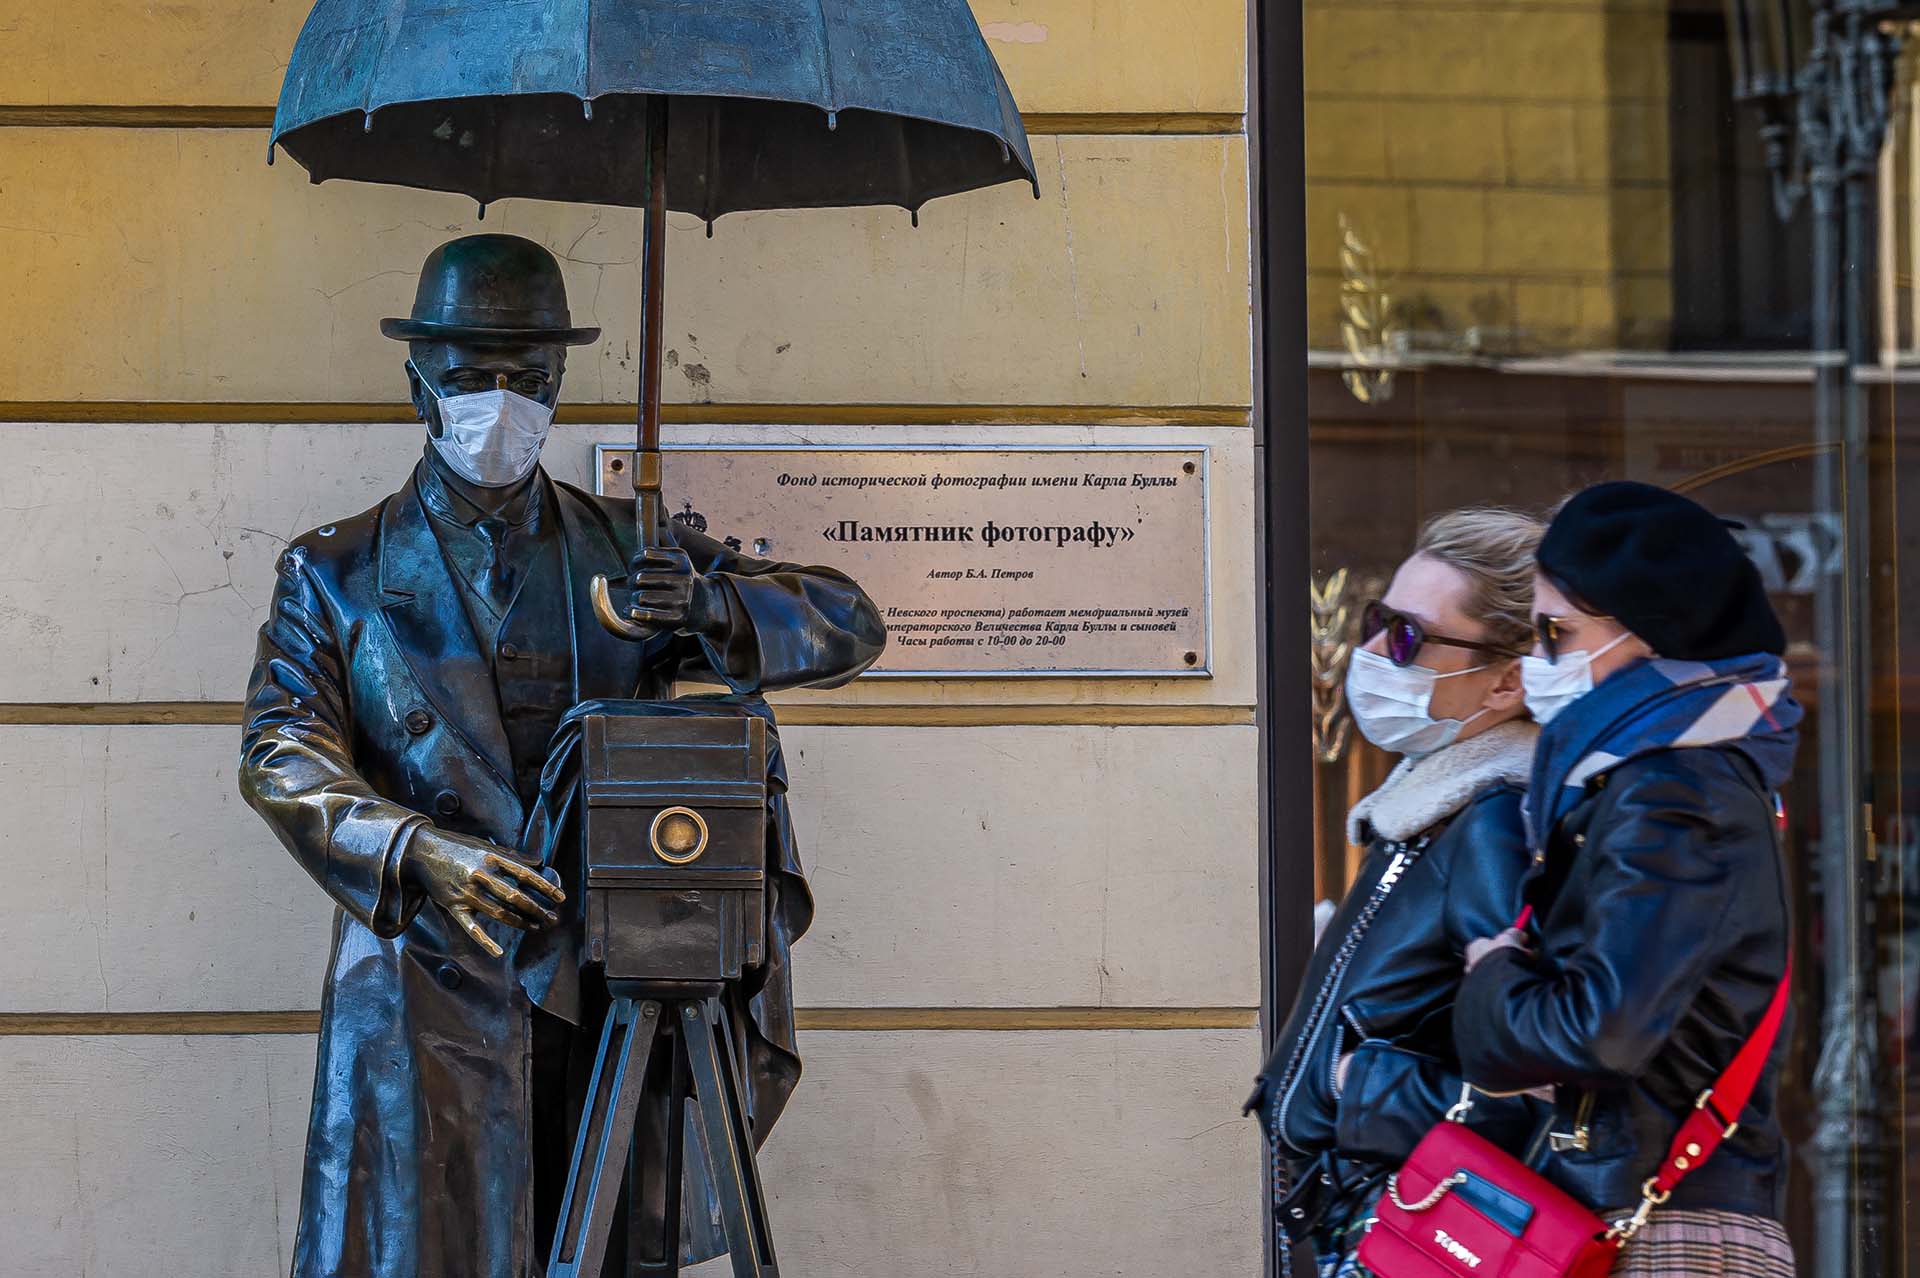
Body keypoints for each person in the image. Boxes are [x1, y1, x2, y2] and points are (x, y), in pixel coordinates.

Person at [237, 234, 887, 1278]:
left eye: (526, 378)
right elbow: (280, 753)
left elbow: (851, 625)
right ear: (418, 390)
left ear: (559, 384)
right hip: (421, 989)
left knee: (594, 1246)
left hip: (601, 988)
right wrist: (416, 853)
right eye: (470, 379)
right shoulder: (336, 573)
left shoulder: (629, 553)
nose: (500, 404)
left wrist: (713, 602)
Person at [1455, 481, 1800, 1278]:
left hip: (1666, 1235)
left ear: (1649, 634)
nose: (1536, 658)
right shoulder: (1659, 774)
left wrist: (1494, 974)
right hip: (1643, 1216)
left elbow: (1601, 1028)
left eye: (1555, 631)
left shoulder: (1677, 788)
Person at [1249, 507, 1547, 1274]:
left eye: (1409, 635)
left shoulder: (1494, 824)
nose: (1374, 648)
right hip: (1363, 1222)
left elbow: (1536, 1089)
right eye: (1380, 619)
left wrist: (1353, 1083)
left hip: (1410, 1230)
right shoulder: (1424, 812)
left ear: (1506, 681)